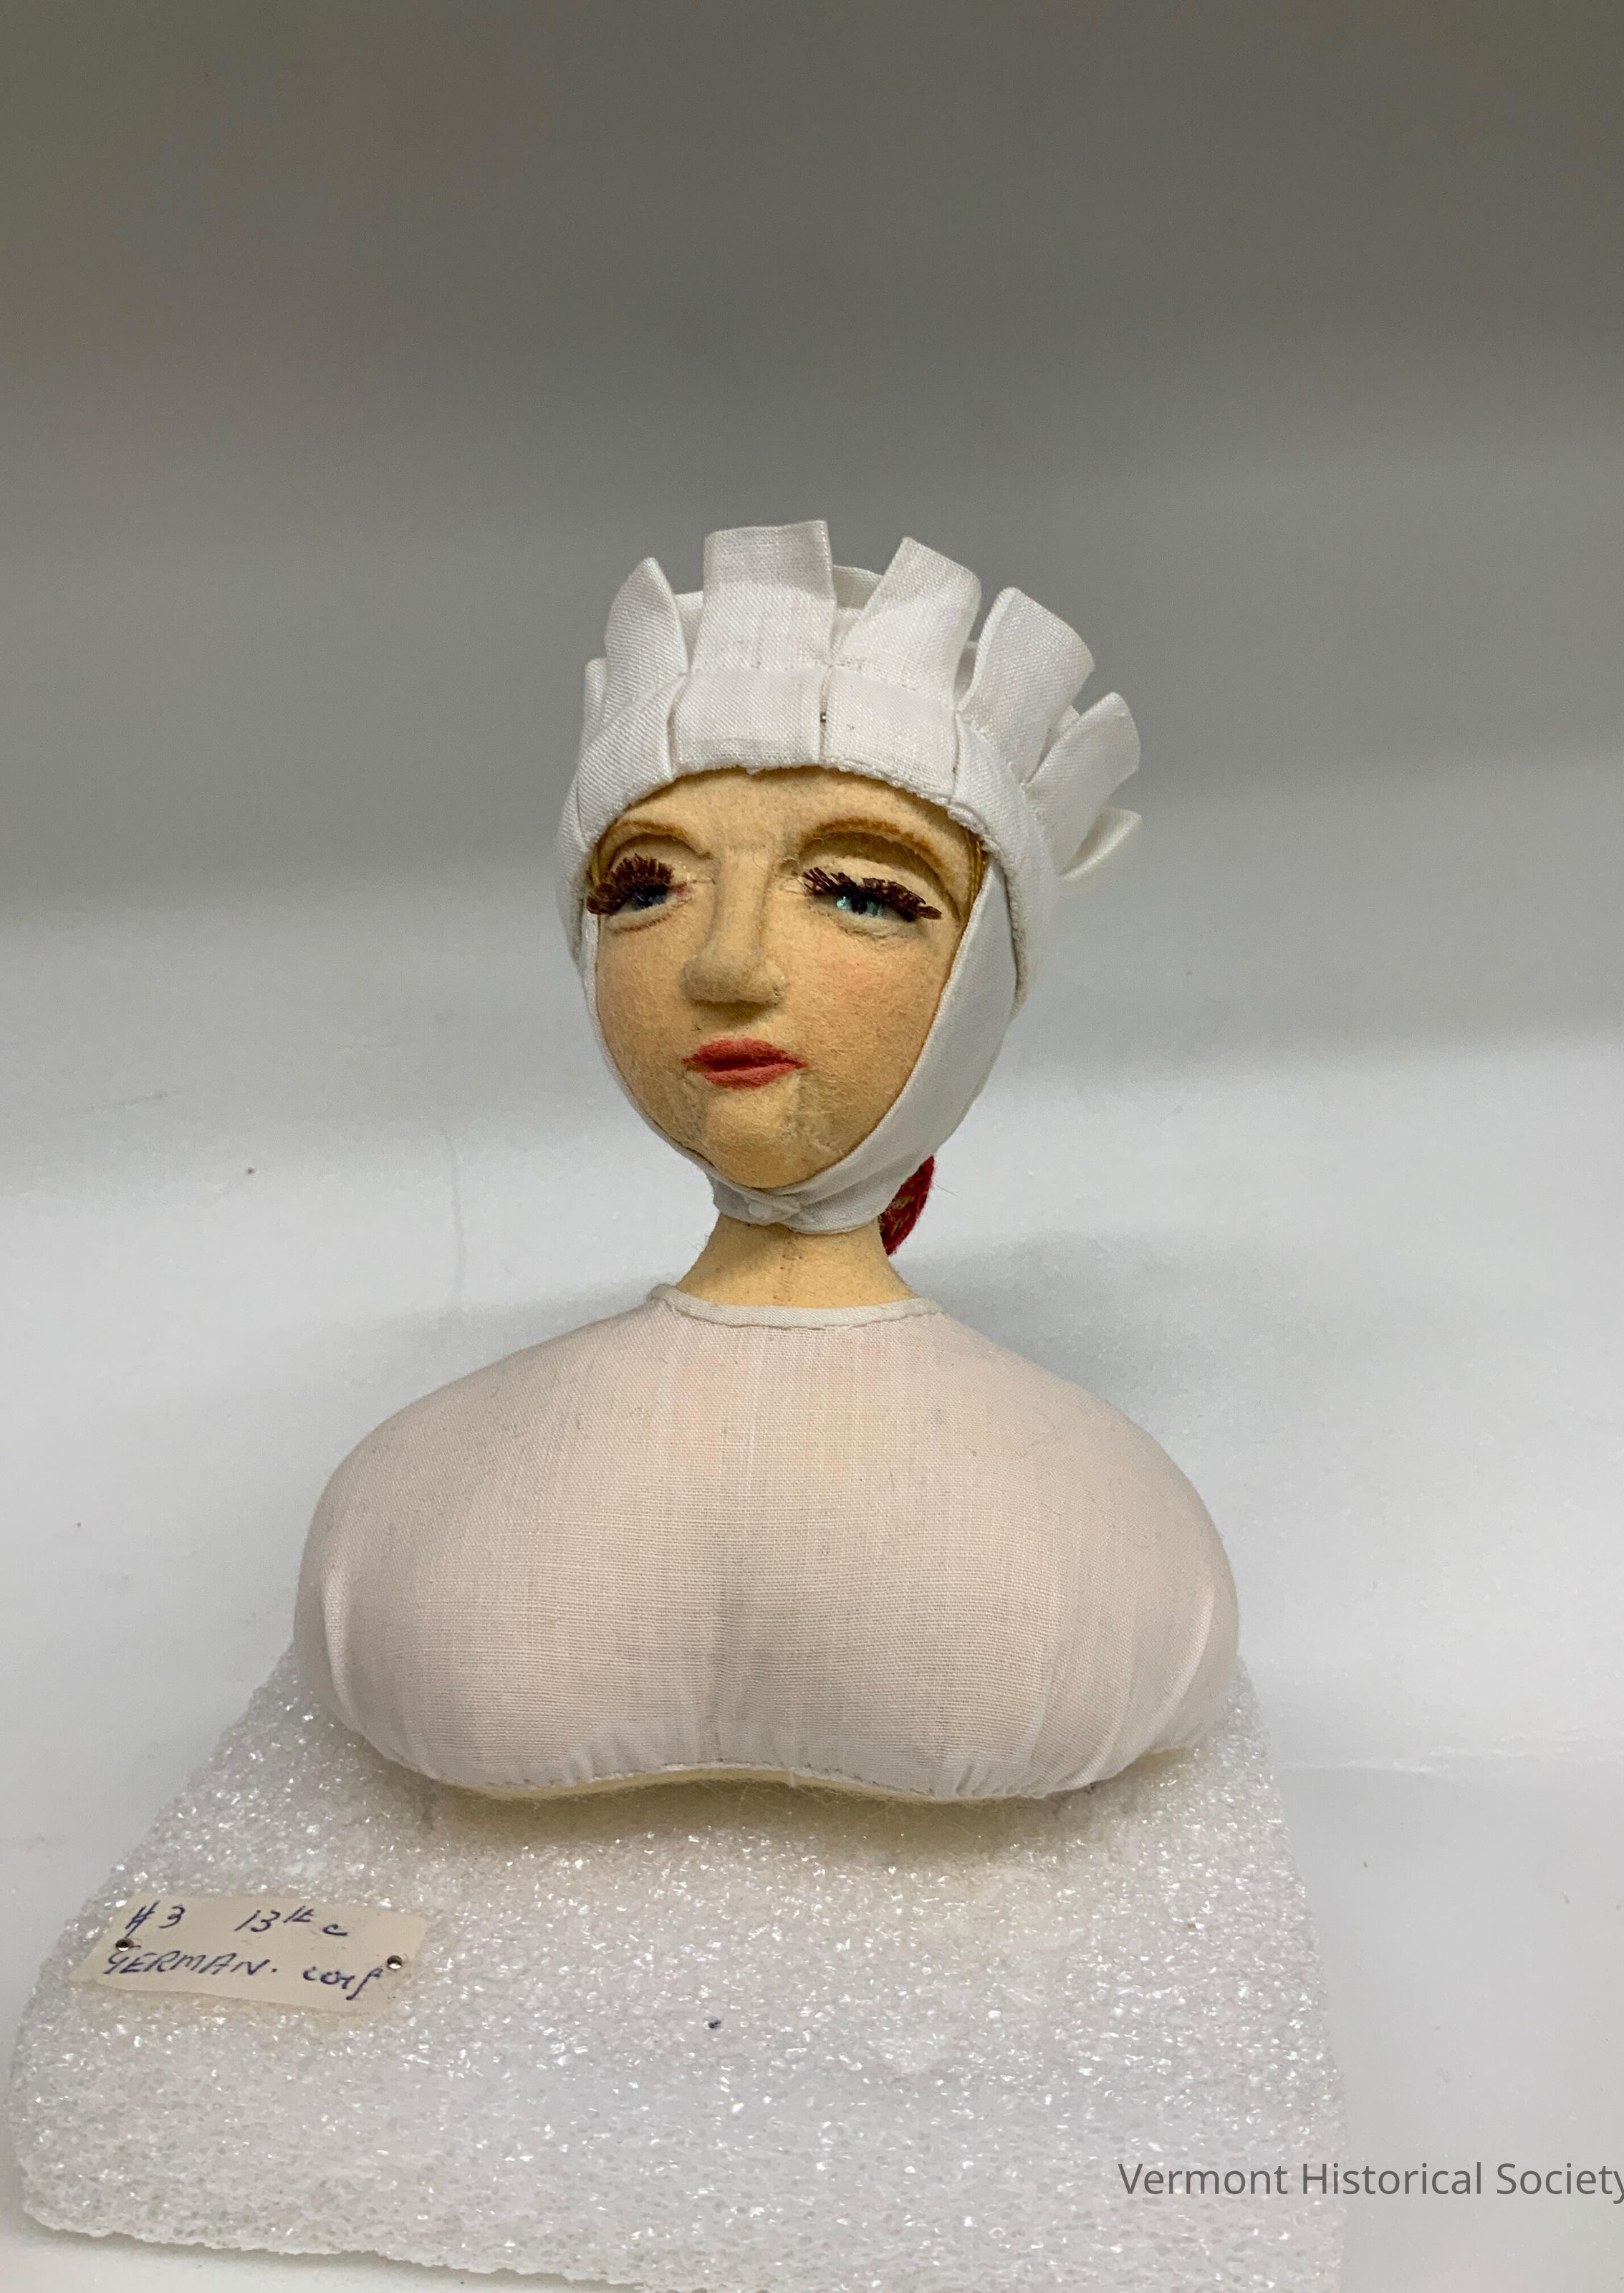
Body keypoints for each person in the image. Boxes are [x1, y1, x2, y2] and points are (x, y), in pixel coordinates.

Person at [294, 520, 1238, 1800]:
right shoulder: (1124, 1544)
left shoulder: (405, 1516)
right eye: (645, 887)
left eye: (858, 891)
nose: (728, 964)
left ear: (984, 978)